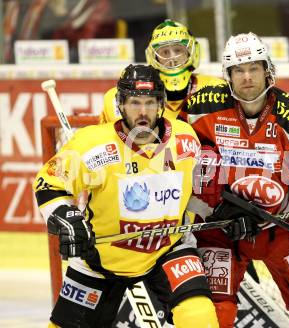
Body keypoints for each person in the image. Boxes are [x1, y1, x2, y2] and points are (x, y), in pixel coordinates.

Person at [180, 33, 289, 328]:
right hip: (223, 228)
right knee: (210, 312)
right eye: (238, 70)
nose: (247, 77)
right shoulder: (200, 110)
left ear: (268, 70)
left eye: (254, 68)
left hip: (284, 228)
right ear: (228, 75)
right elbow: (176, 154)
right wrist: (213, 201)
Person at [33, 64, 219, 328]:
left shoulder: (185, 140)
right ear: (120, 104)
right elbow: (47, 184)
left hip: (168, 250)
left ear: (161, 104)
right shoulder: (92, 145)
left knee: (200, 317)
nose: (143, 112)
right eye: (134, 103)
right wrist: (67, 217)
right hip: (98, 259)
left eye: (150, 103)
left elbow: (201, 191)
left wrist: (225, 210)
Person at [100, 19, 224, 123]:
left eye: (178, 50)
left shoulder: (216, 88)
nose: (172, 58)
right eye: (164, 52)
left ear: (191, 52)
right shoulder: (119, 97)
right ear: (153, 57)